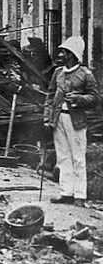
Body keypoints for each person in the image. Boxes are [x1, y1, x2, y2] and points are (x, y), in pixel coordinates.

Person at [42, 36, 99, 205]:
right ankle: (66, 192)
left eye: (65, 52)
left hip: (76, 121)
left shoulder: (85, 75)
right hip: (58, 119)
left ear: (73, 55)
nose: (61, 55)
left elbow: (95, 97)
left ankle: (80, 195)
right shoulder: (58, 73)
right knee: (63, 156)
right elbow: (50, 96)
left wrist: (79, 99)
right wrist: (47, 118)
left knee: (78, 158)